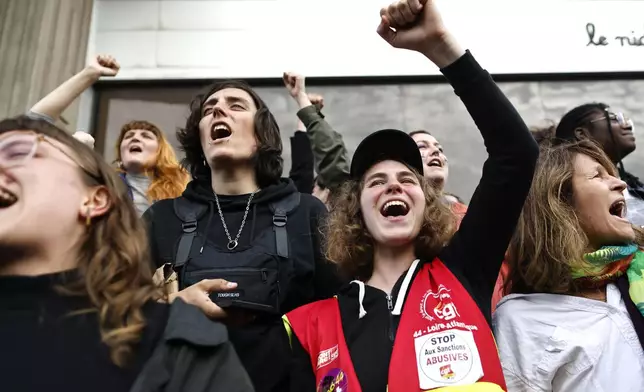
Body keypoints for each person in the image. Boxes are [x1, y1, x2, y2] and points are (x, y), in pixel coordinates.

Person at [283, 0, 539, 391]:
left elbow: (516, 153)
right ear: (356, 213)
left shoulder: (465, 270)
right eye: (376, 181)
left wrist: (441, 48)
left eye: (408, 178)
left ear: (426, 204)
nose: (394, 185)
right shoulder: (311, 325)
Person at [0, 116, 253, 392]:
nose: (135, 138)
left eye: (17, 151)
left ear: (95, 200)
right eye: (129, 135)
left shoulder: (175, 344)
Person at [143, 79, 342, 392]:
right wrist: (172, 306)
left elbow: (346, 314)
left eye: (235, 105)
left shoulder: (306, 213)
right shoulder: (162, 219)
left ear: (262, 135)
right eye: (209, 110)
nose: (219, 110)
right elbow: (114, 317)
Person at [494, 137, 644, 391]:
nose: (620, 184)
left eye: (614, 175)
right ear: (559, 202)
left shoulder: (637, 271)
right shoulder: (520, 320)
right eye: (598, 176)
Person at [28, 54, 189, 216]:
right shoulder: (104, 184)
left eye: (146, 136)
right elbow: (33, 124)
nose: (135, 138)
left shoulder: (186, 190)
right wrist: (90, 73)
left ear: (161, 151)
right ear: (120, 155)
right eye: (129, 136)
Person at [552, 103, 644, 226]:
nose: (627, 125)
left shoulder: (633, 185)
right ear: (582, 134)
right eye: (613, 119)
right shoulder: (562, 191)